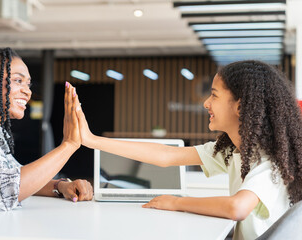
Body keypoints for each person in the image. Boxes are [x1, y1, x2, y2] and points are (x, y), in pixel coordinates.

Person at [71, 60, 302, 239]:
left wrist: (176, 202)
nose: (206, 103)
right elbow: (166, 155)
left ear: (240, 106)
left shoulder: (268, 159)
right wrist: (91, 140)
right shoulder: (234, 150)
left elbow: (237, 208)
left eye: (214, 95)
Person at [0, 46, 93, 212]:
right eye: (18, 81)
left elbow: (15, 178)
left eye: (27, 84)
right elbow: (2, 193)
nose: (27, 91)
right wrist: (69, 145)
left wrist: (61, 186)